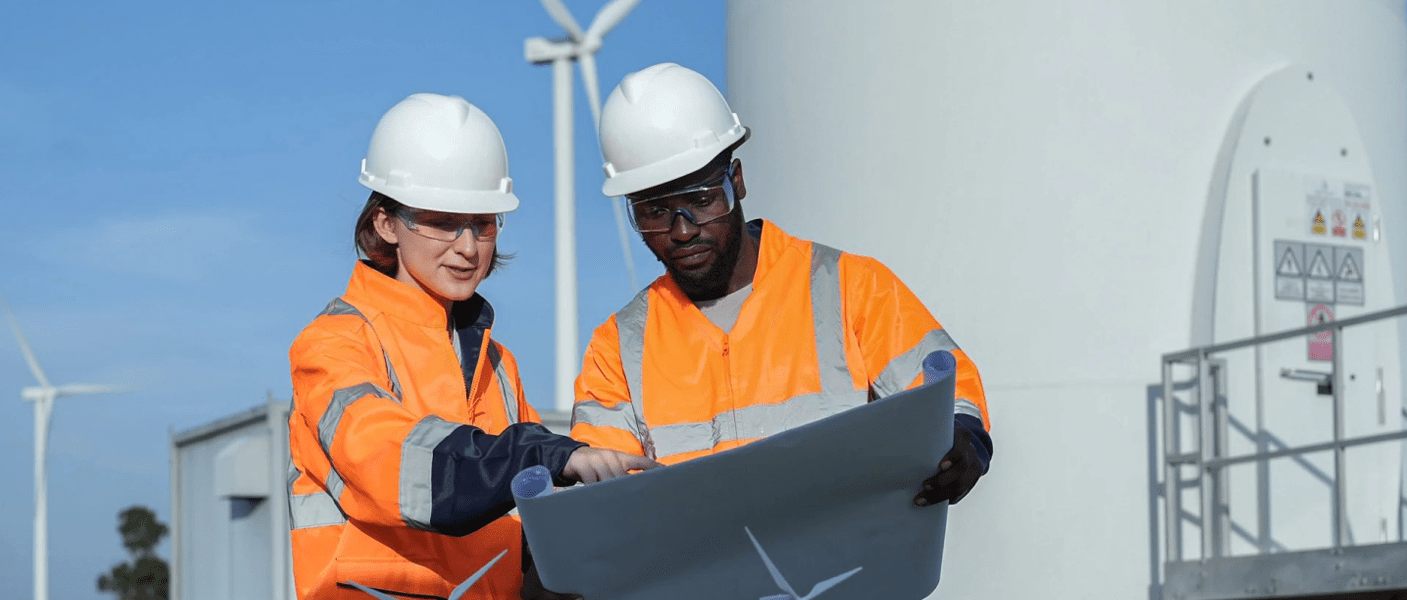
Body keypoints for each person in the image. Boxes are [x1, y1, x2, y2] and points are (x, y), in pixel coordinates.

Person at [287, 93, 658, 600]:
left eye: (483, 223)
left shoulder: (499, 366)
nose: (468, 247)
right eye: (442, 222)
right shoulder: (332, 344)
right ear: (385, 222)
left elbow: (533, 534)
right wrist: (537, 452)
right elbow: (398, 467)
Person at [569, 63, 993, 506]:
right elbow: (603, 492)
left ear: (737, 181)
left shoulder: (849, 288)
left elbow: (947, 388)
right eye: (654, 213)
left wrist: (963, 436)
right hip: (701, 575)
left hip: (847, 567)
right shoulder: (619, 348)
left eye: (699, 201)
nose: (681, 231)